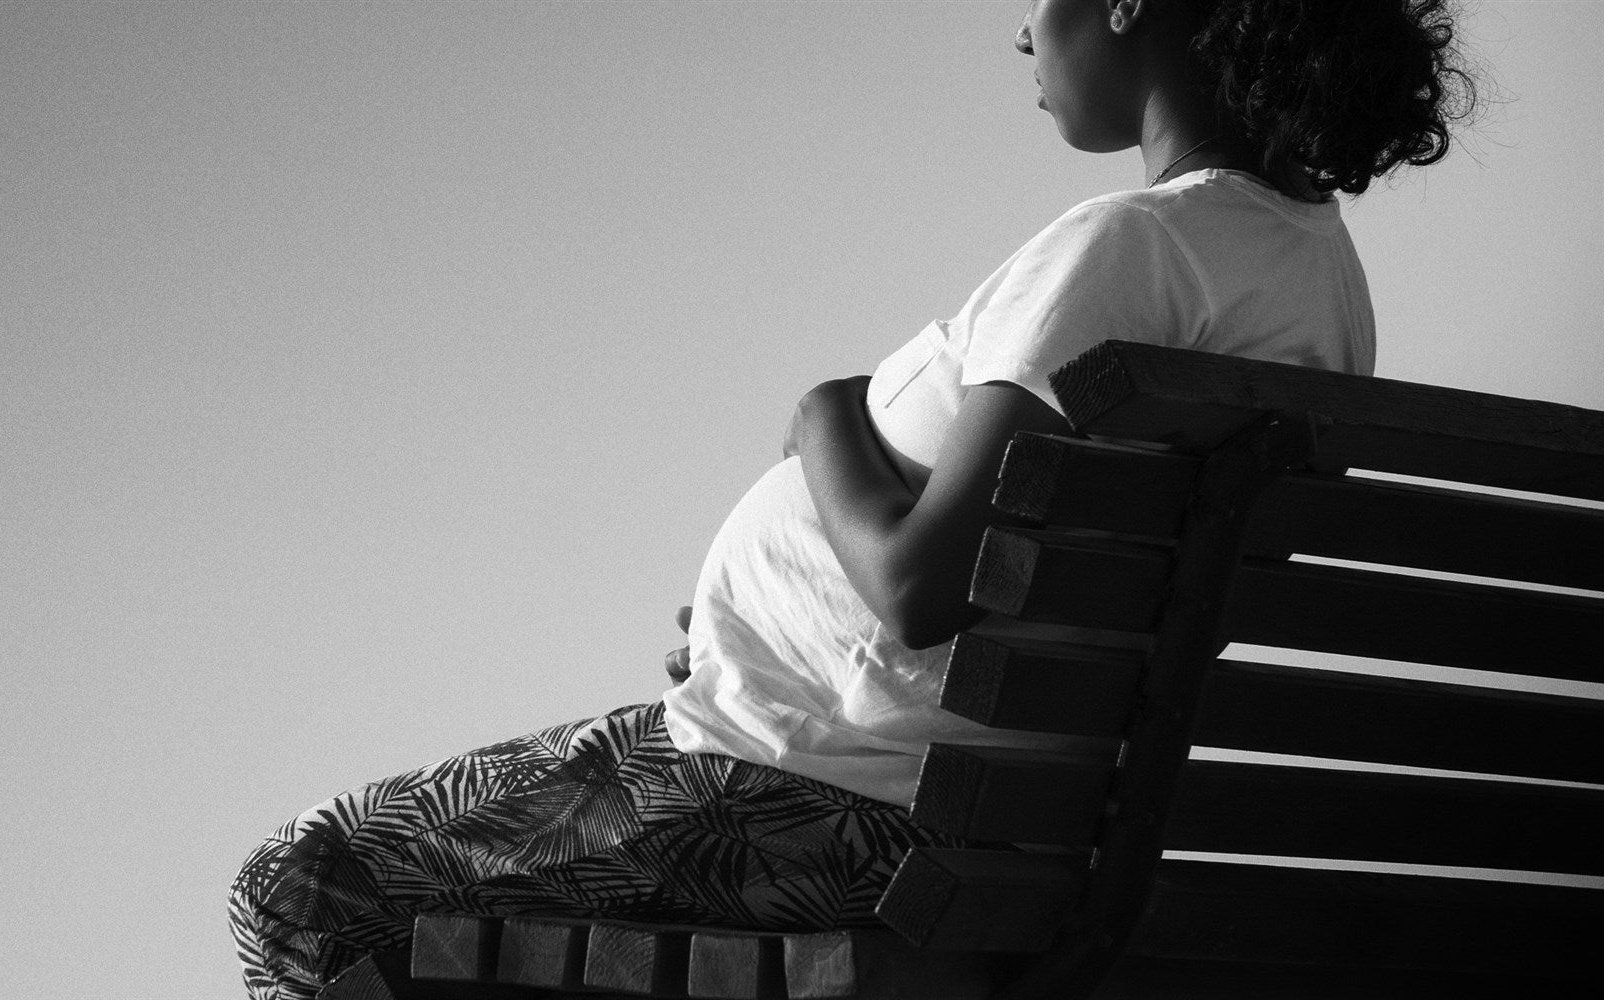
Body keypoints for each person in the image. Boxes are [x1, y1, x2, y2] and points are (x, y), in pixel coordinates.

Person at [230, 2, 1475, 997]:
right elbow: (1083, 599)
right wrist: (770, 619)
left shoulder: (1133, 248)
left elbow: (922, 588)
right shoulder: (1321, 287)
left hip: (818, 807)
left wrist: (822, 408)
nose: (1022, 30)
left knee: (301, 889)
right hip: (956, 810)